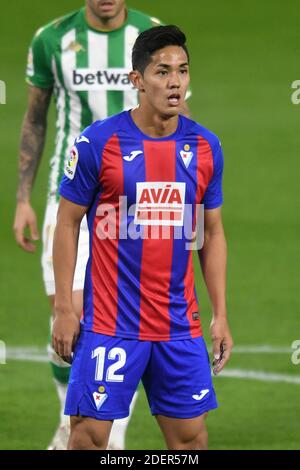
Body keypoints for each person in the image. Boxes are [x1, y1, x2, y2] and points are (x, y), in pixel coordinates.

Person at [52, 24, 233, 450]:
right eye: (162, 71)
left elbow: (212, 232)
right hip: (110, 324)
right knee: (88, 440)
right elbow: (66, 222)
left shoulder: (206, 147)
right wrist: (63, 305)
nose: (175, 82)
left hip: (177, 324)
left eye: (183, 71)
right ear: (136, 80)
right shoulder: (99, 142)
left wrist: (220, 313)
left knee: (190, 441)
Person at [13, 0, 181, 450]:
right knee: (67, 321)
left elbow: (173, 119)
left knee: (117, 323)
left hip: (135, 202)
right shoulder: (51, 39)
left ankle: (110, 436)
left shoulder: (153, 36)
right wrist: (23, 199)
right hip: (65, 198)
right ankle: (71, 423)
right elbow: (34, 119)